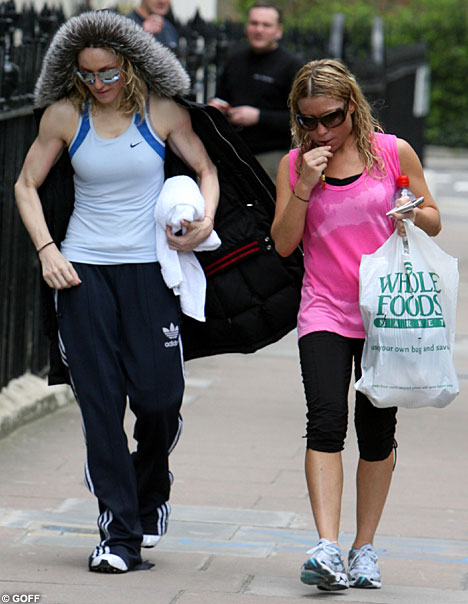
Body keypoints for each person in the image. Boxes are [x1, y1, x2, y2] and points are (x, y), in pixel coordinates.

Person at [14, 10, 218, 574]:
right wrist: (47, 249)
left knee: (159, 401)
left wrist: (204, 221)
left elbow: (206, 169)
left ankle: (150, 491)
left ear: (130, 65)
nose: (98, 84)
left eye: (108, 73)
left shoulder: (162, 111)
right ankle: (119, 535)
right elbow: (26, 184)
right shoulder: (64, 115)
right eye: (87, 74)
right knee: (101, 404)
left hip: (149, 270)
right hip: (84, 271)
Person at [271, 59, 441, 591]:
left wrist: (410, 211)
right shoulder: (295, 164)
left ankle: (364, 548)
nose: (321, 130)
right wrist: (305, 184)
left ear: (353, 107)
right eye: (309, 121)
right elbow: (284, 243)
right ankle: (326, 546)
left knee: (377, 432)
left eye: (332, 118)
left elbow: (434, 218)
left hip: (384, 314)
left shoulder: (391, 152)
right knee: (325, 421)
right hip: (323, 309)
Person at [208, 2, 302, 180]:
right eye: (254, 23)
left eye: (266, 25)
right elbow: (221, 98)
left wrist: (258, 117)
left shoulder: (291, 66)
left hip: (272, 156)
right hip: (232, 152)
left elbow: (301, 118)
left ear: (278, 31)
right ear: (247, 27)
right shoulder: (234, 61)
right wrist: (216, 108)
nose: (259, 30)